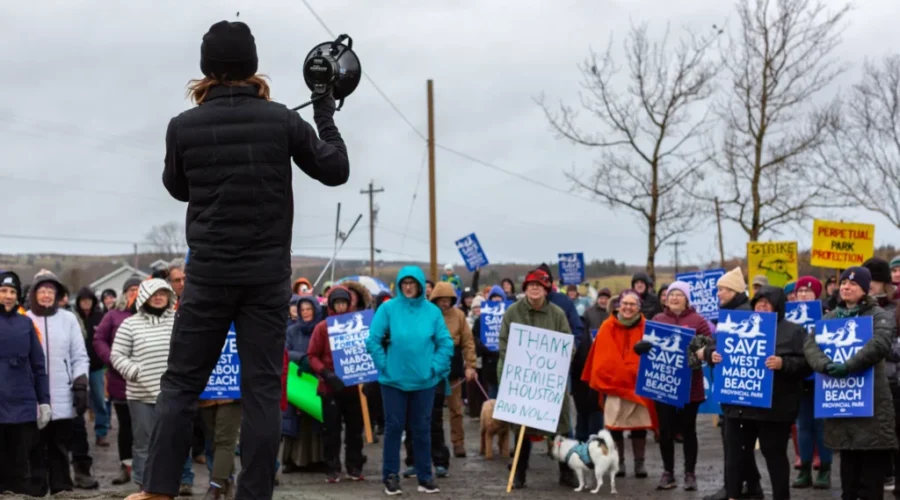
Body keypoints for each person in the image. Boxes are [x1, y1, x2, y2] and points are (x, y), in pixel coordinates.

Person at [134, 19, 350, 500]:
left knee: (181, 386)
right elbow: (336, 169)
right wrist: (324, 109)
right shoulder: (282, 120)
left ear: (206, 68)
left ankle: (158, 490)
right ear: (252, 66)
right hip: (264, 279)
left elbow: (177, 188)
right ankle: (254, 494)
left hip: (209, 275)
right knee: (260, 394)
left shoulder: (183, 126)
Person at [707, 286, 809, 500]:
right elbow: (713, 347)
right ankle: (733, 495)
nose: (762, 305)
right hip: (739, 407)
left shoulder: (794, 331)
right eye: (758, 301)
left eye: (767, 301)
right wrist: (711, 355)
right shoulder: (736, 324)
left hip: (775, 409)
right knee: (735, 457)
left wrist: (784, 363)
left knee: (775, 457)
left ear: (778, 305)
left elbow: (807, 364)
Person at [804, 267, 897, 500]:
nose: (845, 287)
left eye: (852, 284)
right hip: (842, 405)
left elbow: (880, 343)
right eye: (843, 283)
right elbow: (810, 344)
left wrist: (849, 365)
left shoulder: (878, 315)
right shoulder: (830, 318)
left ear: (865, 289)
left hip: (872, 405)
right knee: (848, 481)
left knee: (870, 482)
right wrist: (824, 365)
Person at [365, 266, 453, 496]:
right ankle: (391, 477)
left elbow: (445, 343)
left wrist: (435, 368)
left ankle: (425, 477)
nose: (408, 286)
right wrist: (385, 365)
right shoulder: (388, 309)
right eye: (404, 282)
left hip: (424, 382)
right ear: (399, 284)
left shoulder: (432, 312)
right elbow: (373, 341)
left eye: (412, 283)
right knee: (393, 429)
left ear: (421, 285)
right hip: (393, 382)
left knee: (422, 430)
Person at [498, 269, 575, 489]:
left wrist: (562, 360)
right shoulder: (512, 312)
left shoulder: (558, 314)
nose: (534, 288)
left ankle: (566, 472)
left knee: (561, 427)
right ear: (525, 289)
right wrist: (516, 361)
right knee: (523, 428)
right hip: (524, 381)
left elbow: (569, 344)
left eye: (539, 286)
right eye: (531, 285)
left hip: (551, 383)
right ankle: (519, 473)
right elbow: (504, 342)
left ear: (546, 289)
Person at [695, 267, 764, 500]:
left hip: (741, 392)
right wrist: (712, 350)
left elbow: (733, 346)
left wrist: (711, 350)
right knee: (737, 443)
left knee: (735, 443)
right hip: (733, 388)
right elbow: (720, 343)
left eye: (722, 289)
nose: (718, 294)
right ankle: (751, 485)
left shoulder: (742, 313)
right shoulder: (730, 312)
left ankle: (733, 488)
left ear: (734, 290)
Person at [638, 281, 711, 491]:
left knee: (689, 430)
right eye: (671, 295)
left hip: (691, 386)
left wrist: (699, 351)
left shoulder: (698, 320)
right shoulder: (658, 319)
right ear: (666, 299)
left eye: (679, 294)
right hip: (663, 386)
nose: (674, 298)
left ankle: (690, 473)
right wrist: (642, 347)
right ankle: (667, 472)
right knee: (666, 430)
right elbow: (648, 347)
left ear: (687, 298)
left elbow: (709, 345)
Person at [26, 270, 90, 496]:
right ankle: (34, 491)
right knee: (33, 450)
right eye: (41, 291)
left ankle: (62, 490)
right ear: (33, 294)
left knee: (60, 449)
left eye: (50, 291)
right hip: (31, 400)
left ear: (57, 294)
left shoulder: (68, 319)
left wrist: (81, 384)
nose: (46, 295)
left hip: (63, 397)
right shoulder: (25, 319)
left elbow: (79, 356)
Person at [110, 280, 178, 490]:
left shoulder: (177, 321)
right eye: (153, 294)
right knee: (143, 444)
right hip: (140, 395)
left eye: (163, 293)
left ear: (169, 297)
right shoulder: (130, 324)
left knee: (169, 442)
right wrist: (134, 371)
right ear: (143, 297)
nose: (158, 297)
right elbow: (117, 355)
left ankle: (166, 487)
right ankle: (143, 486)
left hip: (171, 394)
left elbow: (188, 350)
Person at [582, 290, 656, 480]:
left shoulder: (648, 327)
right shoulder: (607, 326)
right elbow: (603, 357)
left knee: (639, 425)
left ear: (638, 308)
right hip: (615, 384)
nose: (628, 307)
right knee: (615, 425)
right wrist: (622, 372)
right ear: (619, 305)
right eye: (625, 304)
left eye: (633, 304)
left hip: (639, 384)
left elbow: (655, 355)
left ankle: (639, 463)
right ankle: (620, 462)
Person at [307, 286, 365, 483]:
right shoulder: (322, 327)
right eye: (337, 303)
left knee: (355, 430)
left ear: (349, 304)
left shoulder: (358, 325)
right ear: (331, 305)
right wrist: (325, 373)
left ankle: (354, 466)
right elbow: (312, 355)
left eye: (343, 303)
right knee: (331, 431)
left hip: (353, 386)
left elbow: (367, 351)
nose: (340, 307)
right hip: (330, 387)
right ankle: (332, 467)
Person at [0, 270, 50, 496]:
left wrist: (44, 401)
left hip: (22, 404)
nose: (8, 296)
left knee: (20, 465)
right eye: (3, 291)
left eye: (12, 291)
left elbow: (39, 366)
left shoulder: (26, 324)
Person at [791, 276, 831, 489]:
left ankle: (825, 469)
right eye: (800, 291)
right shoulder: (789, 319)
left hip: (821, 378)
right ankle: (804, 469)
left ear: (817, 294)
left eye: (808, 291)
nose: (803, 295)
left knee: (821, 426)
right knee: (803, 425)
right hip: (799, 378)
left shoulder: (826, 316)